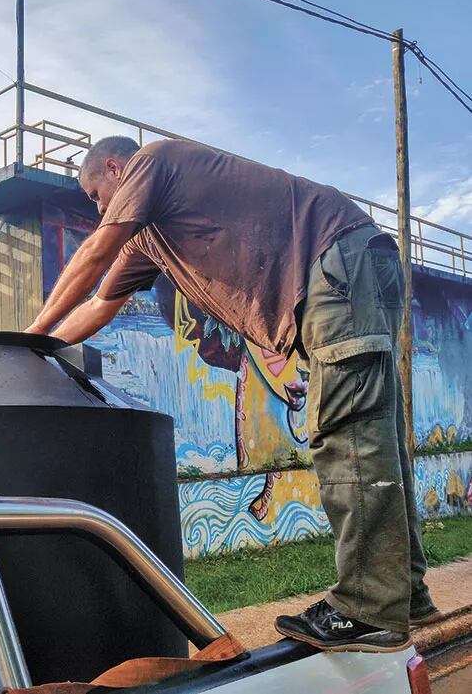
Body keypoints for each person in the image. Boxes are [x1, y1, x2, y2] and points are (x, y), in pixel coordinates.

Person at [25, 135, 442, 652]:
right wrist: (38, 350)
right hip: (351, 264)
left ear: (115, 168)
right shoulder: (149, 240)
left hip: (336, 263)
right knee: (373, 433)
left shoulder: (154, 161)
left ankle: (368, 610)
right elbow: (99, 305)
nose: (98, 207)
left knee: (347, 434)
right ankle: (405, 594)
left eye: (95, 194)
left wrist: (30, 332)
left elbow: (93, 254)